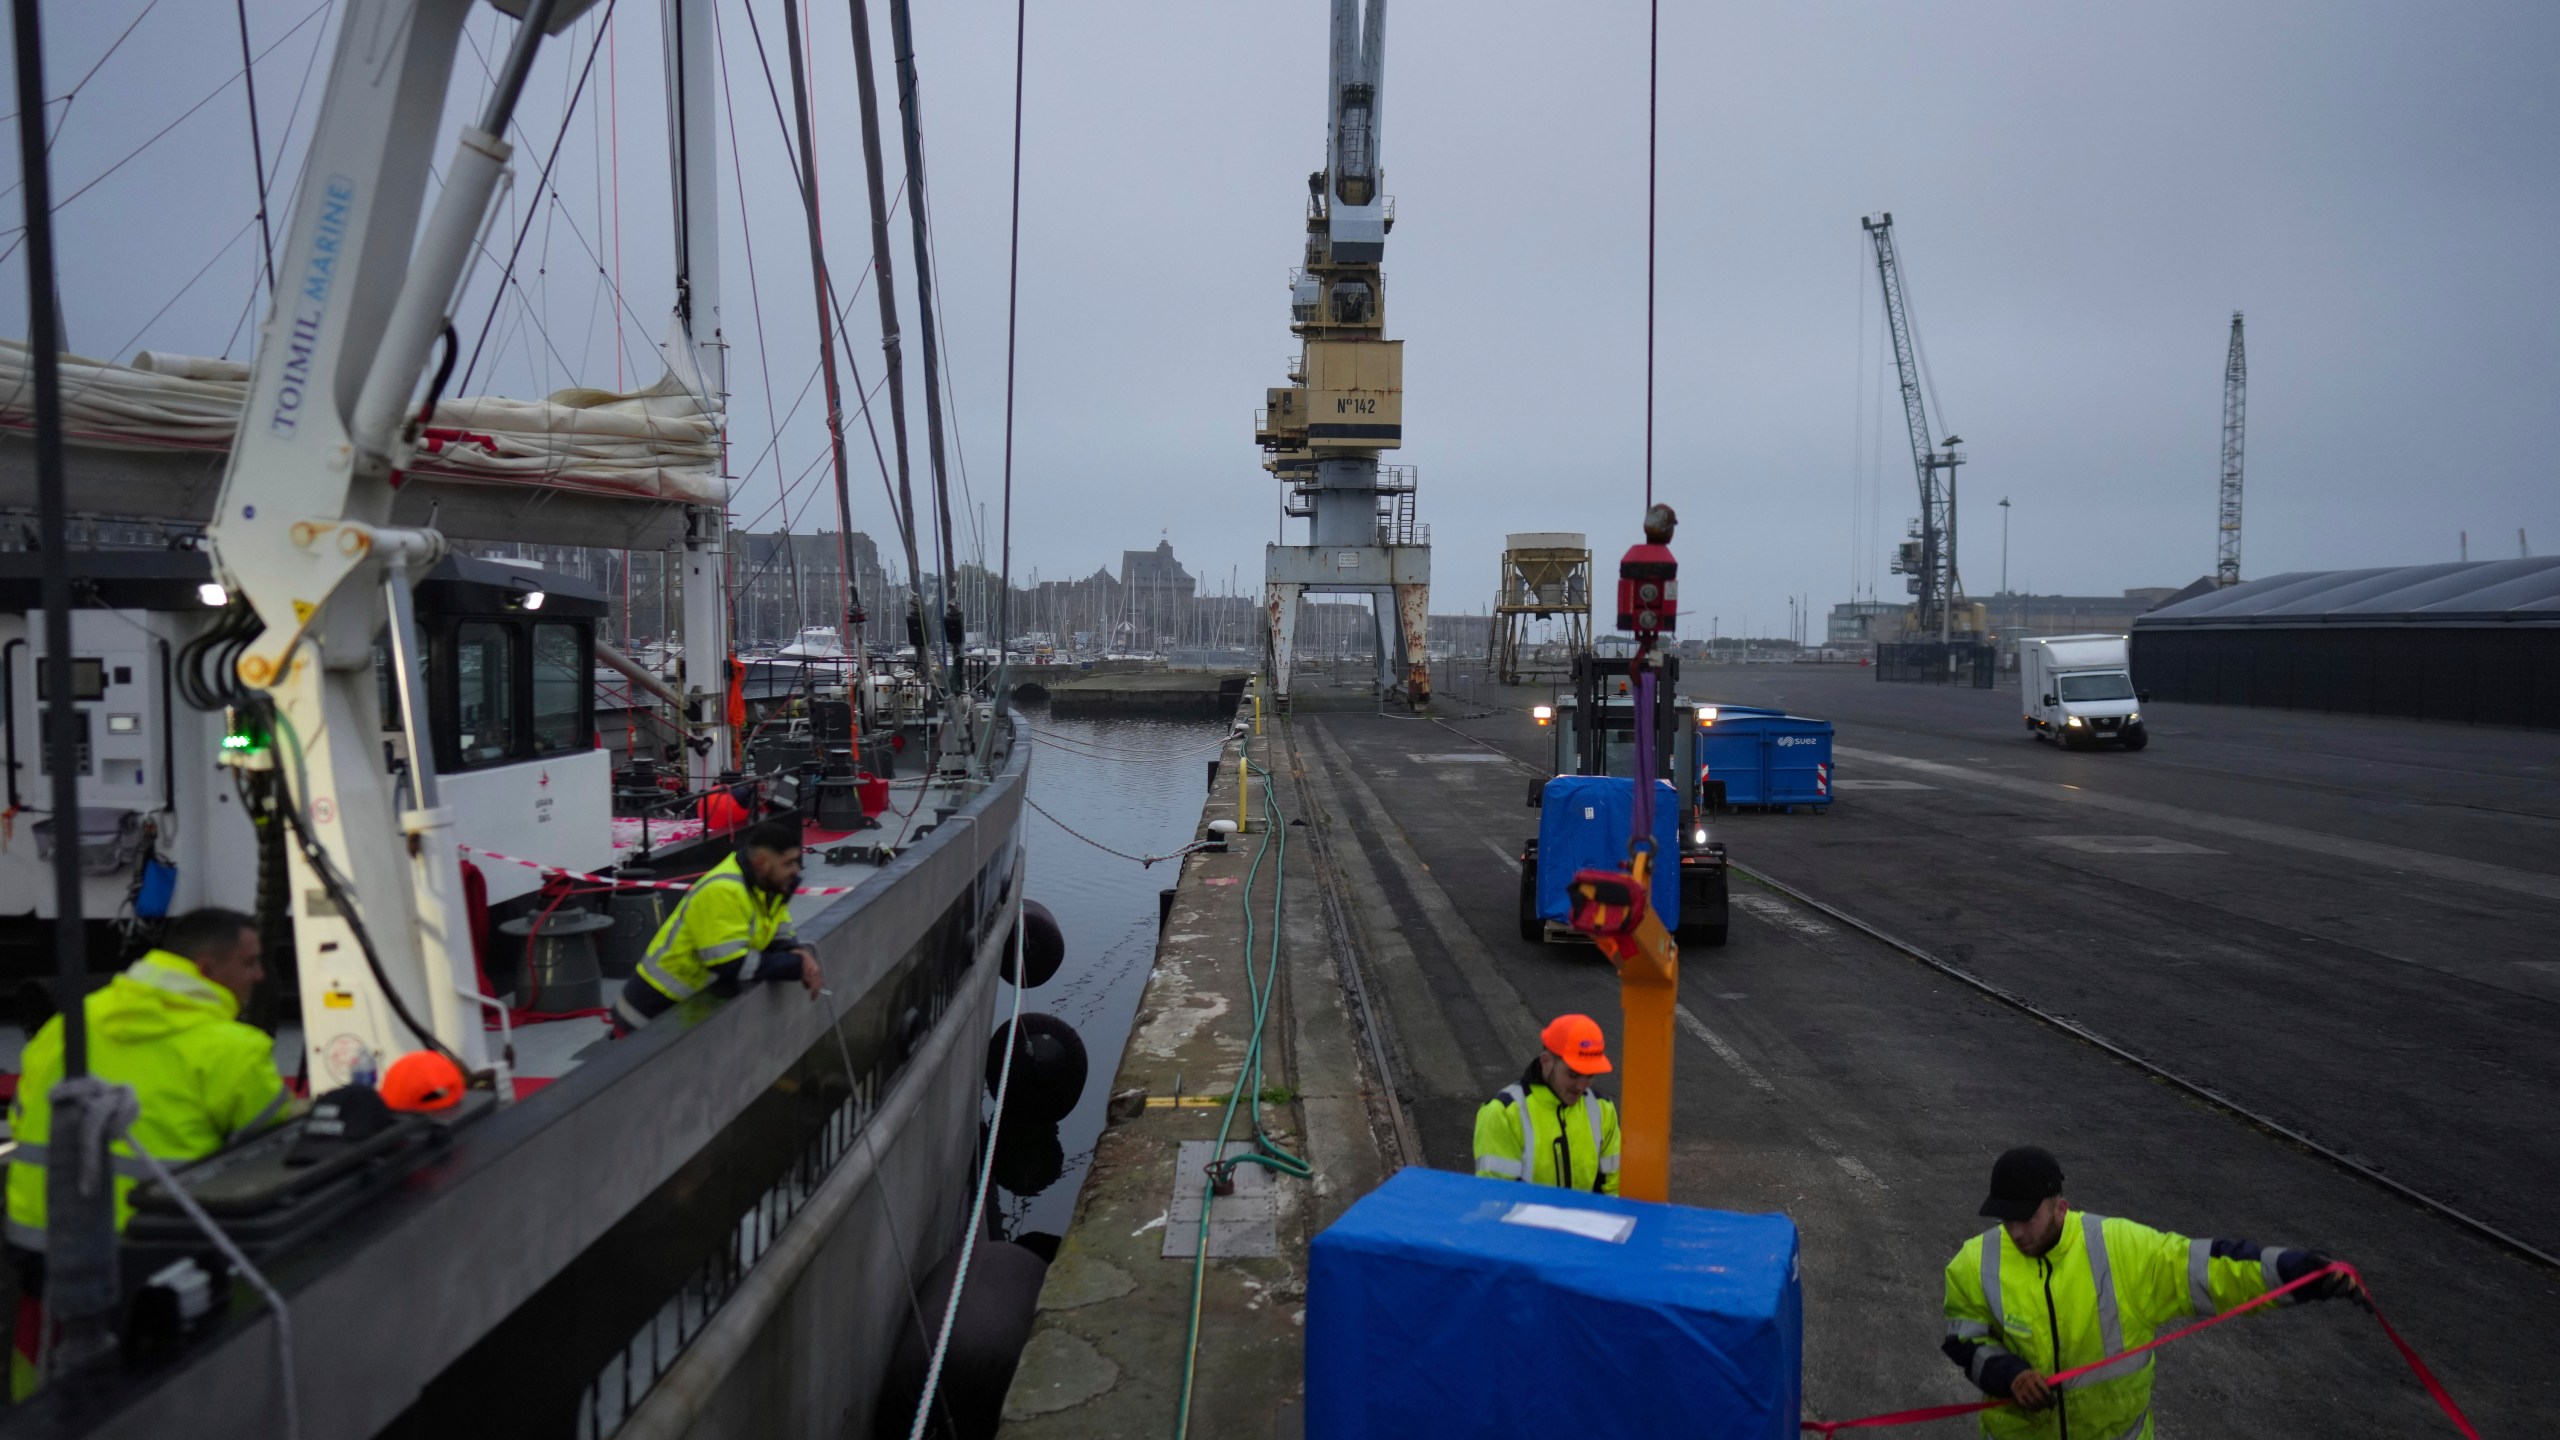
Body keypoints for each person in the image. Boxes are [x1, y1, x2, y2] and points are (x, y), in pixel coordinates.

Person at [6, 907, 292, 1396]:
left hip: (39, 1251)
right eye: (249, 963)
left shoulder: (66, 1027)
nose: (260, 976)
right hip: (153, 1256)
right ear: (206, 968)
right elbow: (279, 1154)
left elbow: (21, 1121)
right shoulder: (233, 1049)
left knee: (49, 1373)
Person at [1941, 1146, 2366, 1440]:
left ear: (2060, 1207)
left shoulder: (2123, 1248)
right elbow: (1964, 1338)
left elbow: (2214, 1266)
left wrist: (2303, 1271)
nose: (2014, 1232)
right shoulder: (1975, 1262)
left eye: (2025, 1218)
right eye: (2005, 1218)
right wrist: (2008, 1375)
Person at [612, 820, 823, 1035]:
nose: (796, 870)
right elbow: (730, 963)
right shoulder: (724, 890)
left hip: (689, 1010)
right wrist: (796, 965)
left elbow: (779, 929)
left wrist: (793, 950)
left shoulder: (767, 887)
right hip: (650, 1013)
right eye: (788, 863)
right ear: (762, 863)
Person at [1471, 1014, 1624, 1194]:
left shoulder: (1602, 1109)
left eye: (1589, 1075)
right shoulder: (1502, 1113)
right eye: (1573, 1075)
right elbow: (1496, 1195)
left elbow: (1615, 1188)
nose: (1581, 1086)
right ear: (1546, 1061)